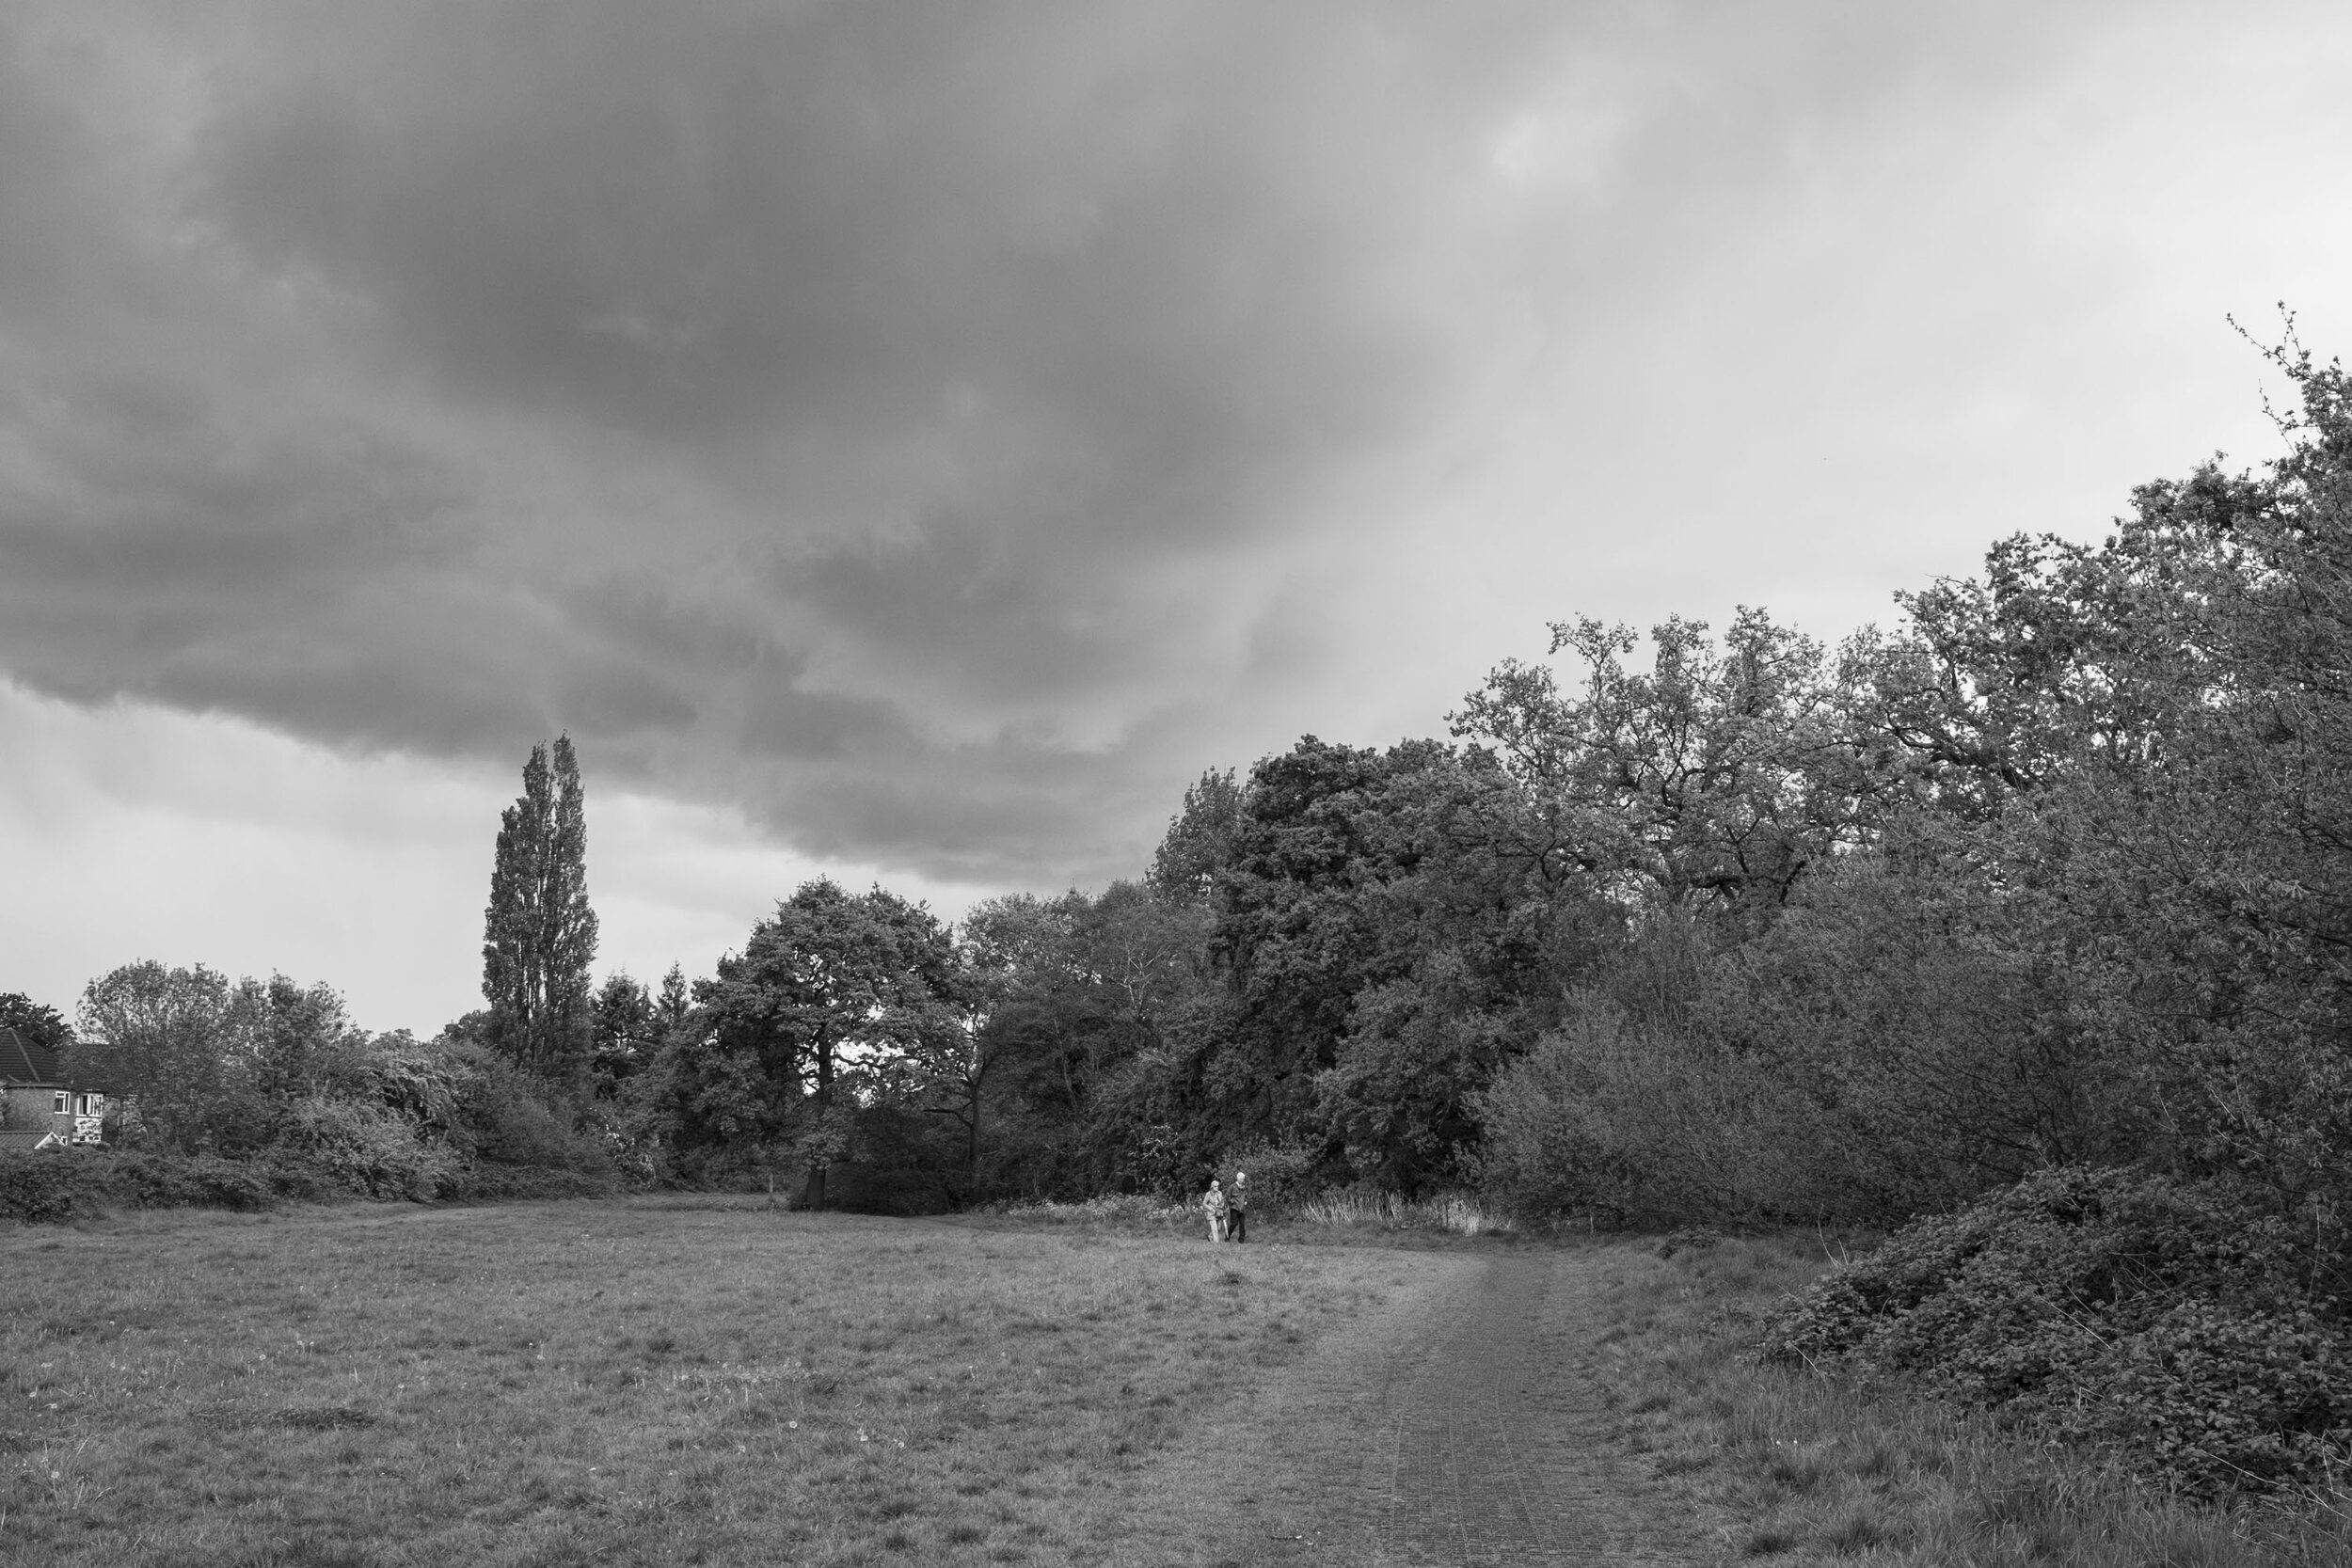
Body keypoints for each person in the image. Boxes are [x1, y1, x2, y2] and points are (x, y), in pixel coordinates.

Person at [1204, 1178, 1229, 1243]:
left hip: (1218, 1212)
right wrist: (1211, 1209)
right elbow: (1204, 1204)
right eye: (1215, 1186)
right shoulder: (1208, 1194)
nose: (1217, 1187)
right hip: (1211, 1213)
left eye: (1218, 1186)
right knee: (1214, 1228)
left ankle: (1210, 1236)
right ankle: (1216, 1243)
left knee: (1218, 1228)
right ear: (1212, 1187)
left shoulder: (1219, 1193)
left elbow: (1222, 1201)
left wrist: (1222, 1206)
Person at [1228, 1170, 1249, 1243]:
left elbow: (1245, 1195)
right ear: (1237, 1178)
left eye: (1243, 1179)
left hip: (1242, 1208)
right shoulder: (1232, 1187)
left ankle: (1241, 1240)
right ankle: (1227, 1236)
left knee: (1242, 1225)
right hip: (1234, 1208)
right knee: (1234, 1224)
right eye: (1241, 1179)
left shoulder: (1244, 1187)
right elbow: (1227, 1196)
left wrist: (1245, 1200)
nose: (1243, 1180)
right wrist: (1232, 1202)